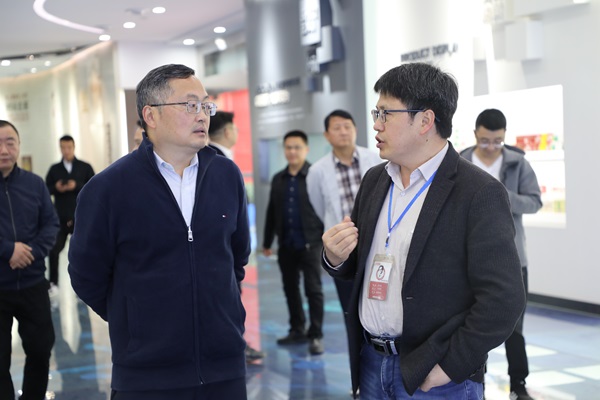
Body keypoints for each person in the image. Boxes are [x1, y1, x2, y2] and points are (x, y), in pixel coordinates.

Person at [320, 62, 526, 399]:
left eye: (386, 114)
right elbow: (359, 265)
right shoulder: (375, 180)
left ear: (425, 121)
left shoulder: (477, 192)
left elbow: (504, 299)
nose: (376, 124)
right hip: (371, 362)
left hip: (435, 375)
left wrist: (450, 366)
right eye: (376, 113)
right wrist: (335, 257)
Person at [68, 64, 251, 400]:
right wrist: (134, 317)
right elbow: (86, 275)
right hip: (146, 376)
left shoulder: (227, 175)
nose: (202, 115)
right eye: (190, 105)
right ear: (150, 115)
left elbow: (236, 258)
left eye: (205, 105)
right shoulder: (109, 189)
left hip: (224, 369)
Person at [460, 108, 542, 400]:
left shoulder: (518, 163)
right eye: (484, 141)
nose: (491, 147)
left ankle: (518, 385)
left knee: (514, 327)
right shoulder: (460, 161)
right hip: (466, 258)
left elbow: (534, 202)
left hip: (512, 258)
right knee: (467, 325)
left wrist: (502, 194)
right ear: (475, 135)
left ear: (505, 136)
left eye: (497, 141)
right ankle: (473, 383)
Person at [0, 120, 59, 400]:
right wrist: (7, 250)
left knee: (40, 350)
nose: (4, 149)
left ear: (19, 145)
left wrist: (31, 252)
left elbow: (51, 224)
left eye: (10, 142)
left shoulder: (35, 184)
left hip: (33, 283)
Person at [306, 110, 382, 315]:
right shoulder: (317, 171)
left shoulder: (376, 159)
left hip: (375, 241)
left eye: (347, 126)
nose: (343, 132)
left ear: (355, 130)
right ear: (327, 135)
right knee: (350, 309)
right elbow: (319, 207)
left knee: (379, 304)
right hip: (343, 248)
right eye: (337, 128)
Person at [206, 110, 264, 363]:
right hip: (222, 255)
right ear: (228, 131)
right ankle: (233, 347)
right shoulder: (216, 161)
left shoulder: (214, 158)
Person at [262, 130, 325, 355]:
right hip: (286, 245)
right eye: (288, 147)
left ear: (306, 149)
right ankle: (297, 329)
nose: (292, 151)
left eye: (297, 147)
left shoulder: (315, 176)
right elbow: (272, 211)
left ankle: (315, 335)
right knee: (290, 290)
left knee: (313, 290)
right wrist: (267, 241)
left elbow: (325, 209)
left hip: (311, 244)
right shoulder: (278, 179)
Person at [45, 135, 94, 295]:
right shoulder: (54, 169)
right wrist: (56, 187)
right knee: (53, 250)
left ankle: (86, 283)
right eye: (63, 147)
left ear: (73, 147)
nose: (66, 151)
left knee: (84, 251)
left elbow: (93, 187)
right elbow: (46, 190)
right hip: (60, 217)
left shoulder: (84, 167)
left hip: (80, 217)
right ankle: (53, 283)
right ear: (60, 148)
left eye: (69, 147)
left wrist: (76, 185)